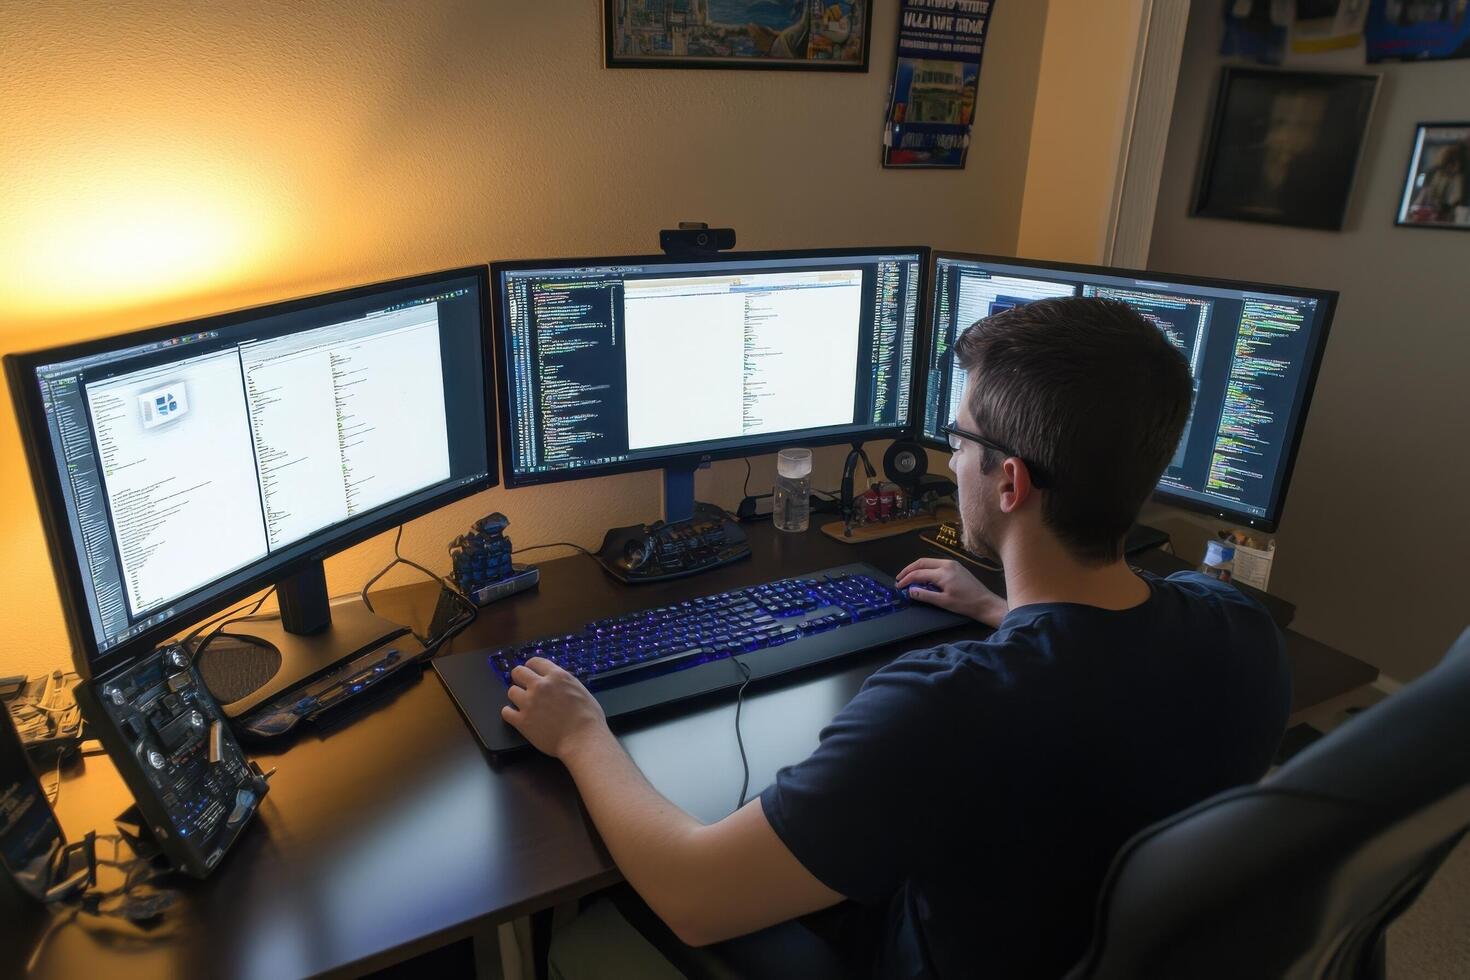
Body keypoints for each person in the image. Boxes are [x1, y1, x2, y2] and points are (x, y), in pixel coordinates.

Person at [501, 297, 1290, 978]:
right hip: (1075, 943)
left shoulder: (953, 706)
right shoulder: (1243, 630)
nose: (951, 462)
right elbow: (1098, 663)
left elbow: (694, 897)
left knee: (605, 913)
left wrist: (580, 734)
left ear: (1009, 481)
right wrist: (1000, 611)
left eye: (962, 440)